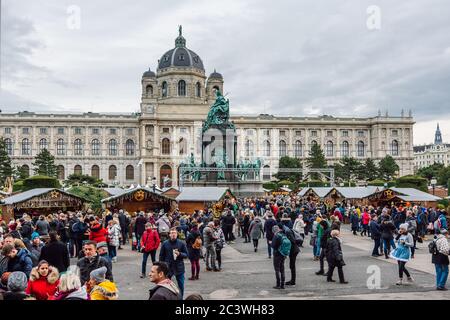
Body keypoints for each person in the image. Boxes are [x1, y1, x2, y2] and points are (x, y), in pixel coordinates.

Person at [159, 228, 188, 299]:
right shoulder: (165, 243)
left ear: (177, 234)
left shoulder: (181, 243)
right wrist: (161, 267)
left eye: (174, 233)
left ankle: (180, 299)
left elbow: (186, 255)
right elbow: (161, 256)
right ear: (169, 234)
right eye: (171, 233)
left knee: (181, 285)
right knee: (166, 285)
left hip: (179, 267)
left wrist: (180, 254)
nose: (173, 234)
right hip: (168, 267)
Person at [271, 225, 289, 289]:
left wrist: (271, 243)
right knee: (282, 269)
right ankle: (282, 284)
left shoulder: (276, 236)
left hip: (277, 254)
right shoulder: (283, 234)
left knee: (277, 269)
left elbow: (273, 246)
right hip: (283, 254)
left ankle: (278, 284)